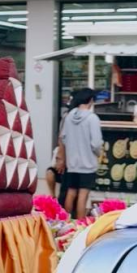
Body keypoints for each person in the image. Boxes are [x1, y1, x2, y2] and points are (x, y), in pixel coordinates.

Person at [59, 88, 103, 219]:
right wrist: (98, 153)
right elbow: (95, 143)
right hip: (87, 164)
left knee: (71, 192)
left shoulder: (69, 117)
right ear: (90, 100)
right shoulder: (92, 118)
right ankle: (80, 225)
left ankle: (66, 223)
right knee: (83, 195)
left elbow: (64, 138)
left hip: (72, 163)